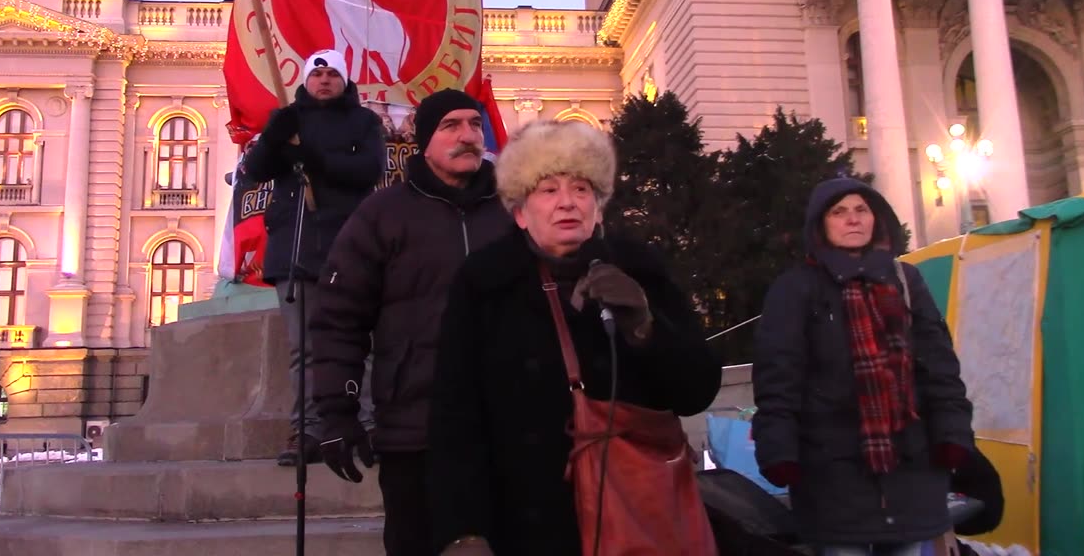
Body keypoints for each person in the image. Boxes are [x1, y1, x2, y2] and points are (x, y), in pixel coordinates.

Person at [426, 120, 723, 556]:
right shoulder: (484, 282)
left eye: (581, 189)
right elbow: (455, 414)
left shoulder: (640, 268)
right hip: (526, 524)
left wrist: (645, 326)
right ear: (522, 212)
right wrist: (463, 531)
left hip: (637, 515)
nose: (567, 202)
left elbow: (697, 390)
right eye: (548, 189)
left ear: (599, 208)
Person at [310, 88, 515, 556]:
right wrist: (338, 412)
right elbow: (339, 318)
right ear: (424, 141)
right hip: (415, 428)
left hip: (508, 426)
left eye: (474, 125)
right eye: (451, 126)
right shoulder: (382, 215)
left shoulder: (514, 211)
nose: (467, 136)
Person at [752, 177, 974, 555]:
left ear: (876, 219)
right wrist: (779, 450)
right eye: (839, 212)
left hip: (911, 469)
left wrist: (952, 434)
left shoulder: (905, 279)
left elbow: (939, 368)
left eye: (861, 210)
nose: (852, 220)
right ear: (821, 224)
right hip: (833, 473)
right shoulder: (796, 288)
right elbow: (779, 376)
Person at [241, 49, 385, 466]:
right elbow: (256, 170)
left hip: (350, 246)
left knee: (362, 341)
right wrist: (274, 137)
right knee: (303, 349)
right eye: (317, 73)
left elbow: (369, 170)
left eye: (332, 73)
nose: (324, 80)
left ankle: (367, 422)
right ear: (306, 80)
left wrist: (315, 159)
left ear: (345, 80)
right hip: (296, 246)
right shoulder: (288, 122)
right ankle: (306, 429)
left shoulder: (364, 122)